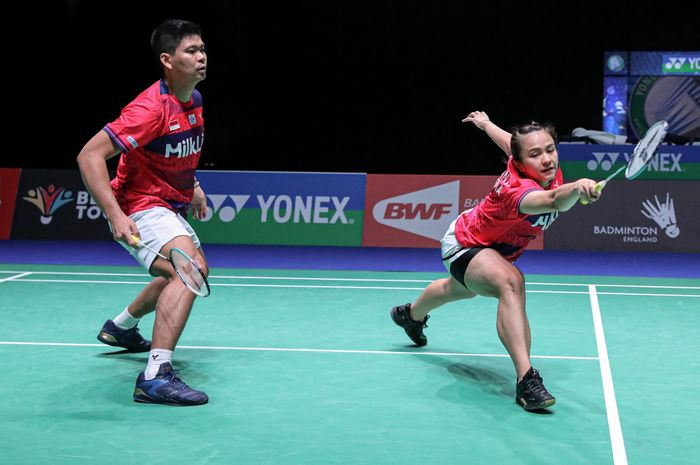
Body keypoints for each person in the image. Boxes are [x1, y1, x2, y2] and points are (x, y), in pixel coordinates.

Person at [390, 110, 601, 411]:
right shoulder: (519, 192)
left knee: (457, 289)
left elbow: (509, 142)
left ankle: (409, 316)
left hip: (491, 250)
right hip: (465, 244)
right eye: (535, 154)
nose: (546, 160)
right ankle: (526, 380)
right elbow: (554, 201)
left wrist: (485, 123)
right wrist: (578, 188)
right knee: (511, 282)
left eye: (550, 149)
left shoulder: (535, 164)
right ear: (520, 161)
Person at [77, 19, 210, 406]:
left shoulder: (194, 101)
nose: (201, 57)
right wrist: (114, 214)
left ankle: (121, 328)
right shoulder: (150, 108)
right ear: (167, 60)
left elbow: (173, 153)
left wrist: (195, 185)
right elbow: (89, 155)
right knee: (188, 271)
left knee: (182, 273)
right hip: (140, 206)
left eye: (203, 49)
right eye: (191, 51)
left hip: (169, 202)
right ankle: (155, 375)